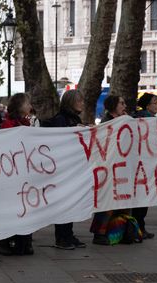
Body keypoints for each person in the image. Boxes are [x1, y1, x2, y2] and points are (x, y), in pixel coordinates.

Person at [42, 89, 87, 250]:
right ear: (71, 102)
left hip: (72, 169)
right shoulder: (61, 119)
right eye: (79, 100)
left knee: (71, 203)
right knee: (63, 204)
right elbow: (59, 141)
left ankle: (68, 234)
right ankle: (62, 237)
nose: (82, 103)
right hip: (62, 170)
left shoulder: (72, 118)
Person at [0, 92, 34, 256]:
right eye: (27, 104)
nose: (30, 107)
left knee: (26, 208)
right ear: (19, 106)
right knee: (10, 209)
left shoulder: (25, 123)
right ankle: (4, 242)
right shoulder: (9, 125)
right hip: (11, 175)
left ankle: (24, 241)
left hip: (24, 174)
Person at [90, 95, 128, 245]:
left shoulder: (124, 120)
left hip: (121, 169)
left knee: (121, 202)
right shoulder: (107, 123)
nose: (124, 106)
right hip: (108, 169)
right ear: (114, 106)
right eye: (122, 103)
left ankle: (118, 232)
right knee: (107, 202)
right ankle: (99, 233)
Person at [130, 93, 157, 239]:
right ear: (147, 105)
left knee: (141, 198)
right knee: (142, 199)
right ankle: (138, 228)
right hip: (144, 165)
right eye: (155, 103)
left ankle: (139, 227)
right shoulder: (147, 120)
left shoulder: (138, 117)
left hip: (141, 164)